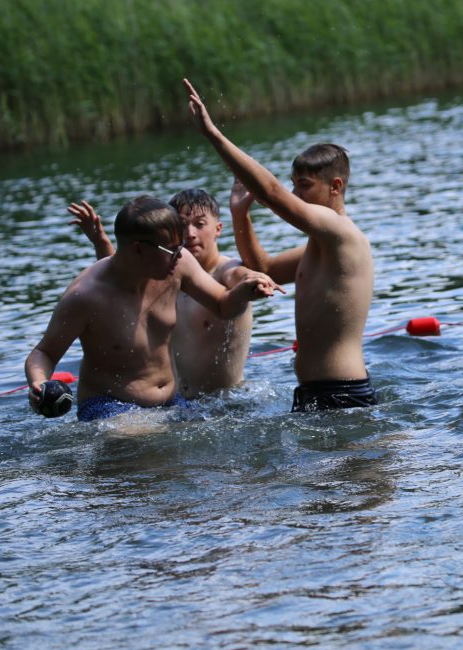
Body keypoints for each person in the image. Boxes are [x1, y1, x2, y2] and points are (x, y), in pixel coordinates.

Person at [182, 77, 376, 412]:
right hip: (317, 393)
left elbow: (272, 193)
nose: (296, 194)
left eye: (304, 185)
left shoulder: (342, 232)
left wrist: (213, 135)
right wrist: (240, 214)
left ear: (335, 186)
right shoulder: (319, 248)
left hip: (342, 392)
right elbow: (263, 267)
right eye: (294, 185)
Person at [25, 195, 283, 421]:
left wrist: (243, 293)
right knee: (150, 438)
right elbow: (44, 352)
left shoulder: (178, 264)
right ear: (138, 249)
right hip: (109, 408)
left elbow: (222, 305)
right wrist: (39, 383)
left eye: (180, 246)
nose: (180, 254)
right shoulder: (85, 296)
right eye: (171, 249)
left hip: (173, 402)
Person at [69, 188, 254, 398]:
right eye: (182, 226)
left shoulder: (227, 270)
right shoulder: (163, 276)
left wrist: (254, 281)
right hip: (181, 405)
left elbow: (241, 275)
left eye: (199, 224)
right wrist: (100, 241)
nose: (190, 234)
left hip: (225, 402)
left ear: (218, 229)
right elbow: (123, 277)